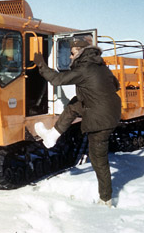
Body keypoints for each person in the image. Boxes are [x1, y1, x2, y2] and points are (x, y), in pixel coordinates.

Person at [33, 36, 121, 207]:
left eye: (72, 54)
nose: (71, 57)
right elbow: (115, 85)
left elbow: (57, 80)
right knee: (74, 105)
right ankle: (52, 136)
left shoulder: (85, 69)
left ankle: (106, 199)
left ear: (80, 52)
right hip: (108, 110)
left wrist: (41, 65)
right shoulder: (100, 66)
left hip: (100, 118)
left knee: (98, 159)